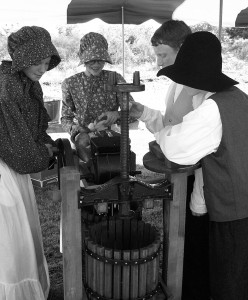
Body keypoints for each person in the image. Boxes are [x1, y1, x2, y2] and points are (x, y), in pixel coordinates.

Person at [150, 31, 248, 300]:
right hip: (240, 202)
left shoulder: (212, 109)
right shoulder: (238, 97)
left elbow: (176, 147)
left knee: (230, 283)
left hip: (232, 209)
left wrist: (159, 135)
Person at [130, 20, 210, 299]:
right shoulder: (177, 83)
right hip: (177, 174)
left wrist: (199, 198)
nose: (159, 61)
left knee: (196, 244)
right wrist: (141, 112)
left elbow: (209, 148)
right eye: (157, 55)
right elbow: (168, 125)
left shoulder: (205, 88)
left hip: (199, 183)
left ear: (184, 49)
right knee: (179, 240)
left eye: (163, 54)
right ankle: (179, 284)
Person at [0, 26, 61, 300]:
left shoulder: (29, 84)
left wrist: (44, 143)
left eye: (46, 63)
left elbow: (34, 129)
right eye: (37, 62)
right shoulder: (6, 86)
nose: (42, 68)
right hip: (5, 170)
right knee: (10, 243)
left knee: (22, 236)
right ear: (22, 58)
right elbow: (21, 152)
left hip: (14, 167)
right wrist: (45, 153)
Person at [61, 32, 135, 163]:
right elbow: (65, 118)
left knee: (122, 149)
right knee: (86, 150)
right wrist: (77, 130)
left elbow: (133, 110)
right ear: (83, 59)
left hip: (110, 133)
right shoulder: (71, 83)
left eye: (100, 60)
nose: (96, 65)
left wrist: (117, 114)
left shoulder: (115, 78)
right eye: (92, 60)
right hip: (84, 136)